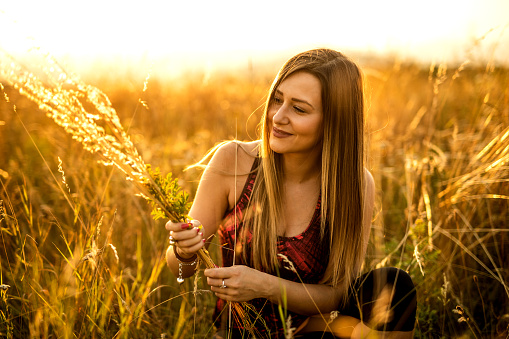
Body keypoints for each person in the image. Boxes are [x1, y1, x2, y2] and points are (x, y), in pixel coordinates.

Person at [165, 49, 417, 338]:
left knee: (394, 286)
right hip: (241, 332)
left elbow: (337, 293)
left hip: (312, 331)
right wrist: (184, 252)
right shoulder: (233, 162)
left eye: (299, 109)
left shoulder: (354, 185)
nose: (277, 116)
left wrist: (265, 286)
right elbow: (180, 272)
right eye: (277, 99)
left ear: (333, 122)